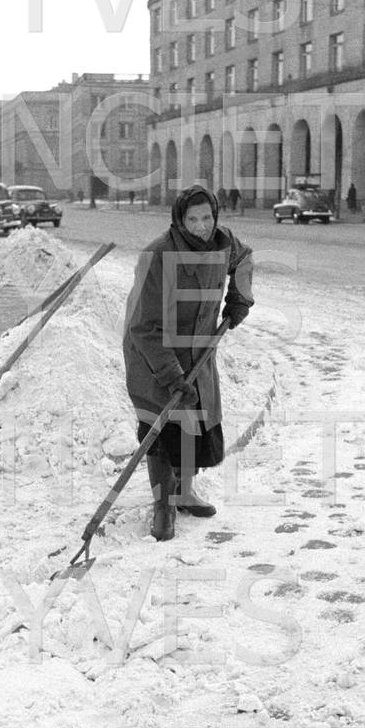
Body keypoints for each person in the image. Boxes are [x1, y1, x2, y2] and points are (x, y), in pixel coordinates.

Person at [123, 184, 254, 542]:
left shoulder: (222, 243)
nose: (201, 226)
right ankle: (163, 504)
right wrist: (170, 374)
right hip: (153, 349)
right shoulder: (158, 256)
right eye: (192, 219)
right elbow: (144, 327)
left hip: (197, 346)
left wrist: (239, 298)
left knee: (195, 419)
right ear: (179, 220)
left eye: (207, 217)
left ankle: (184, 492)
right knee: (163, 426)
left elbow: (243, 259)